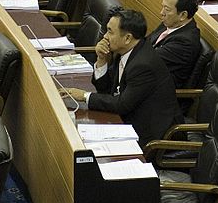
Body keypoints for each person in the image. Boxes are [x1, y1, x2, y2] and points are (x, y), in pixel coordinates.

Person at [66, 8, 182, 147]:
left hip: (152, 135)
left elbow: (122, 105)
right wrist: (102, 60)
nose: (105, 37)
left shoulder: (143, 65)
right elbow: (106, 91)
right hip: (128, 118)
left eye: (110, 31)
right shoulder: (123, 51)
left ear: (127, 38)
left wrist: (84, 95)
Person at [144, 0, 202, 88]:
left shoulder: (185, 42)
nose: (161, 12)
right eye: (163, 7)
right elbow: (145, 43)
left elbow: (147, 60)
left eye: (167, 9)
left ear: (183, 15)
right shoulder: (170, 23)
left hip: (157, 93)